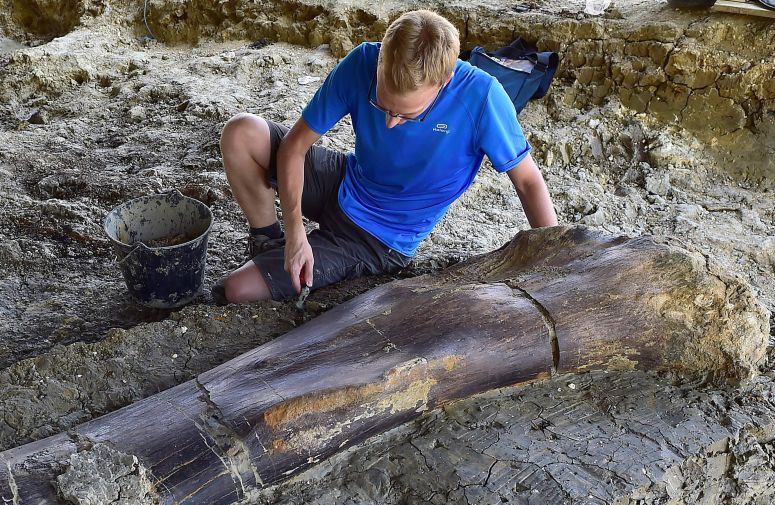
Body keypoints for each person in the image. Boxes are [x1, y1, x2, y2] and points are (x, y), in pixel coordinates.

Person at [216, 9, 557, 305]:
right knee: (242, 132)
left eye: (407, 115)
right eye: (382, 105)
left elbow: (528, 181)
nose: (391, 123)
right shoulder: (362, 61)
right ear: (381, 59)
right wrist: (293, 234)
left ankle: (292, 259)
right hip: (347, 180)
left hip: (379, 238)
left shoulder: (482, 98)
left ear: (445, 80)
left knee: (236, 289)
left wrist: (558, 259)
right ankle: (267, 240)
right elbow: (293, 147)